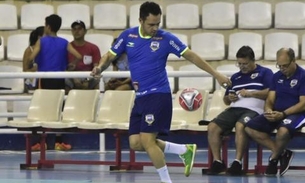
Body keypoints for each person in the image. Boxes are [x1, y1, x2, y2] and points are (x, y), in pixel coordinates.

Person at [91, 2, 231, 183]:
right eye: (151, 24)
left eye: (158, 23)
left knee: (148, 142)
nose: (155, 28)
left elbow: (192, 56)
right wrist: (100, 67)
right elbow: (110, 55)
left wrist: (217, 74)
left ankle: (167, 181)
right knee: (135, 143)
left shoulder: (166, 39)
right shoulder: (128, 36)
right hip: (140, 97)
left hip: (158, 95)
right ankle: (183, 150)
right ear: (140, 20)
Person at [207, 46, 273, 175]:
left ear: (253, 60)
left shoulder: (265, 72)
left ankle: (237, 162)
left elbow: (270, 92)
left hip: (254, 109)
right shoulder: (235, 77)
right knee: (213, 126)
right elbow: (226, 100)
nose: (242, 67)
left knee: (240, 125)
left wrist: (251, 93)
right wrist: (229, 97)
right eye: (239, 64)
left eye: (245, 64)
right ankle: (217, 162)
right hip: (234, 108)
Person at [245, 48, 305, 176]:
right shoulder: (276, 76)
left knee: (283, 132)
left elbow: (303, 104)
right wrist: (268, 110)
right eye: (279, 65)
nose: (282, 68)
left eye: (285, 65)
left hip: (298, 113)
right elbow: (270, 98)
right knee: (250, 128)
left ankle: (273, 160)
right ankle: (282, 153)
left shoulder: (303, 76)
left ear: (294, 61)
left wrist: (283, 114)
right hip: (277, 112)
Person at [28, 14, 82, 151]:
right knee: (59, 108)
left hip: (45, 78)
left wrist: (31, 61)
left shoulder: (42, 41)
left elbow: (32, 57)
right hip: (59, 78)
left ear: (48, 26)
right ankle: (59, 141)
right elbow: (78, 56)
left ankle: (42, 142)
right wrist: (71, 65)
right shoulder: (64, 42)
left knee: (43, 109)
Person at [65, 20, 101, 93]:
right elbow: (65, 68)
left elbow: (96, 67)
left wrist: (87, 80)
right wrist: (74, 78)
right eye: (74, 29)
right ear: (72, 31)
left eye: (79, 29)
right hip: (72, 76)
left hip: (89, 76)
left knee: (97, 80)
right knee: (64, 80)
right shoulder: (67, 48)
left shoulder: (93, 48)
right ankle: (66, 103)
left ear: (85, 31)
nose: (77, 31)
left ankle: (96, 103)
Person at [22, 26, 44, 93]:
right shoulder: (29, 50)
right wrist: (34, 69)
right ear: (39, 37)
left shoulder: (49, 50)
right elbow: (25, 70)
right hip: (32, 79)